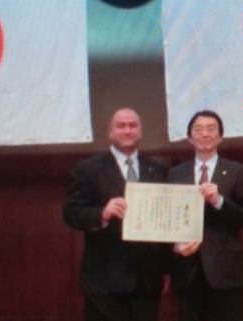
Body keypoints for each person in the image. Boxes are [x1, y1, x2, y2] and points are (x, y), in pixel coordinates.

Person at [63, 108, 170, 321]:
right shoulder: (88, 169)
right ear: (110, 132)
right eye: (121, 126)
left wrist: (166, 268)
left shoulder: (159, 169)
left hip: (147, 280)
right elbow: (71, 213)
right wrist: (102, 214)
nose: (127, 130)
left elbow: (165, 222)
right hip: (104, 281)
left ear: (140, 131)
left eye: (133, 125)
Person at [169, 110, 243, 321]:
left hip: (225, 272)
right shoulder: (176, 173)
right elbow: (168, 219)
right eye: (198, 129)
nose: (205, 134)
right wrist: (175, 245)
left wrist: (219, 201)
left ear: (220, 137)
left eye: (211, 129)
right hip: (187, 271)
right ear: (190, 138)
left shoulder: (237, 171)